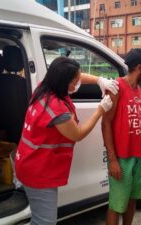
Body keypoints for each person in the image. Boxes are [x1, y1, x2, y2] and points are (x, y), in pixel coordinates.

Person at [14, 56, 117, 225]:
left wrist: (99, 80)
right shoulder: (56, 108)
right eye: (75, 81)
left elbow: (78, 77)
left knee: (39, 217)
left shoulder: (45, 88)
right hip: (39, 173)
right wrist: (100, 110)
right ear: (64, 81)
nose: (79, 83)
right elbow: (77, 134)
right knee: (44, 222)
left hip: (28, 162)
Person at [102, 48, 141, 225]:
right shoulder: (117, 88)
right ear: (140, 67)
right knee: (117, 204)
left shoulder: (140, 91)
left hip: (139, 157)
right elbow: (106, 123)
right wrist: (113, 160)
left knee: (133, 199)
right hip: (121, 158)